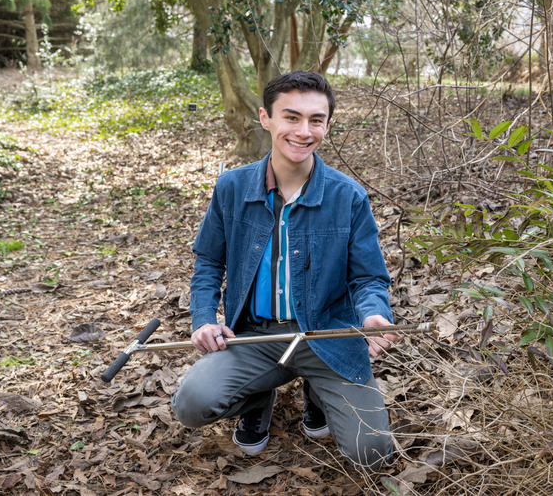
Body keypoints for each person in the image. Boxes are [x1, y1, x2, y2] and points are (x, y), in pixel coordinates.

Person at [171, 71, 398, 471]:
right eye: (291, 117)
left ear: (328, 124)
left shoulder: (348, 196)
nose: (303, 131)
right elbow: (209, 262)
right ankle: (257, 398)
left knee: (373, 453)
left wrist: (374, 313)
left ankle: (318, 391)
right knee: (191, 404)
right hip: (254, 337)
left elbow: (368, 277)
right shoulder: (232, 187)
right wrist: (204, 320)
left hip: (328, 336)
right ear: (266, 118)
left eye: (316, 120)